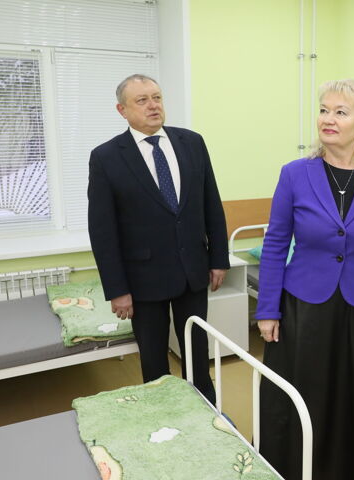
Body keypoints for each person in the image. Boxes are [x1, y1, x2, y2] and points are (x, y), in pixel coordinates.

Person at [255, 79, 354, 480]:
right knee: (305, 394)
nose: (328, 118)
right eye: (324, 110)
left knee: (353, 397)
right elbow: (275, 244)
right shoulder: (295, 174)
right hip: (304, 305)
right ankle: (297, 469)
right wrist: (267, 308)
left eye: (340, 112)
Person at [87, 74, 229, 405]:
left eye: (157, 97)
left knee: (197, 349)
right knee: (153, 358)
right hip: (143, 279)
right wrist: (117, 289)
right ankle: (163, 413)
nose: (153, 105)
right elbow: (102, 230)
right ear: (122, 110)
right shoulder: (107, 157)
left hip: (193, 270)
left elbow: (211, 203)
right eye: (142, 100)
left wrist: (219, 258)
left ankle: (205, 408)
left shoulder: (192, 143)